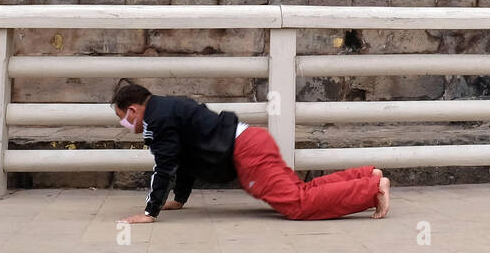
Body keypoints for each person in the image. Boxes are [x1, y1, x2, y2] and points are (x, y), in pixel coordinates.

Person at [110, 78, 389, 224]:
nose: (125, 123)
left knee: (297, 204)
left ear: (133, 110)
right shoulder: (166, 108)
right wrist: (180, 199)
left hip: (246, 152)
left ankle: (372, 188)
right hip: (251, 141)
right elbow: (185, 160)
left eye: (123, 117)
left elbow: (165, 165)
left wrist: (149, 212)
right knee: (301, 190)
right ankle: (367, 175)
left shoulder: (157, 120)